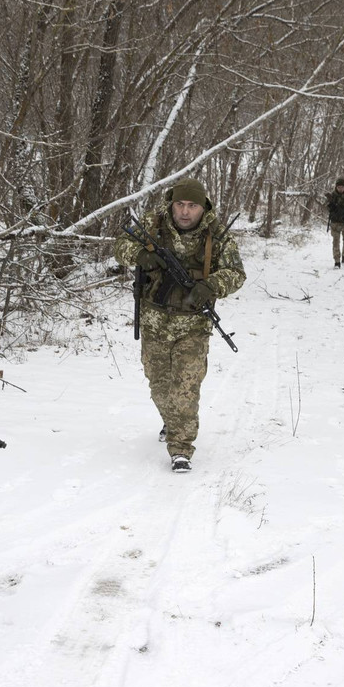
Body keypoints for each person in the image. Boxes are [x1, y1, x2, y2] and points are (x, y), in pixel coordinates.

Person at [114, 178, 246, 472]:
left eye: (192, 206)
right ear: (172, 204)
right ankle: (171, 420)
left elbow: (236, 273)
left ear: (203, 207)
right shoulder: (152, 223)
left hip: (193, 326)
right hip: (153, 322)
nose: (185, 212)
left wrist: (211, 285)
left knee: (185, 389)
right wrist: (141, 256)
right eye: (180, 205)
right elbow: (121, 245)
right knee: (159, 386)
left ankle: (181, 448)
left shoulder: (217, 235)